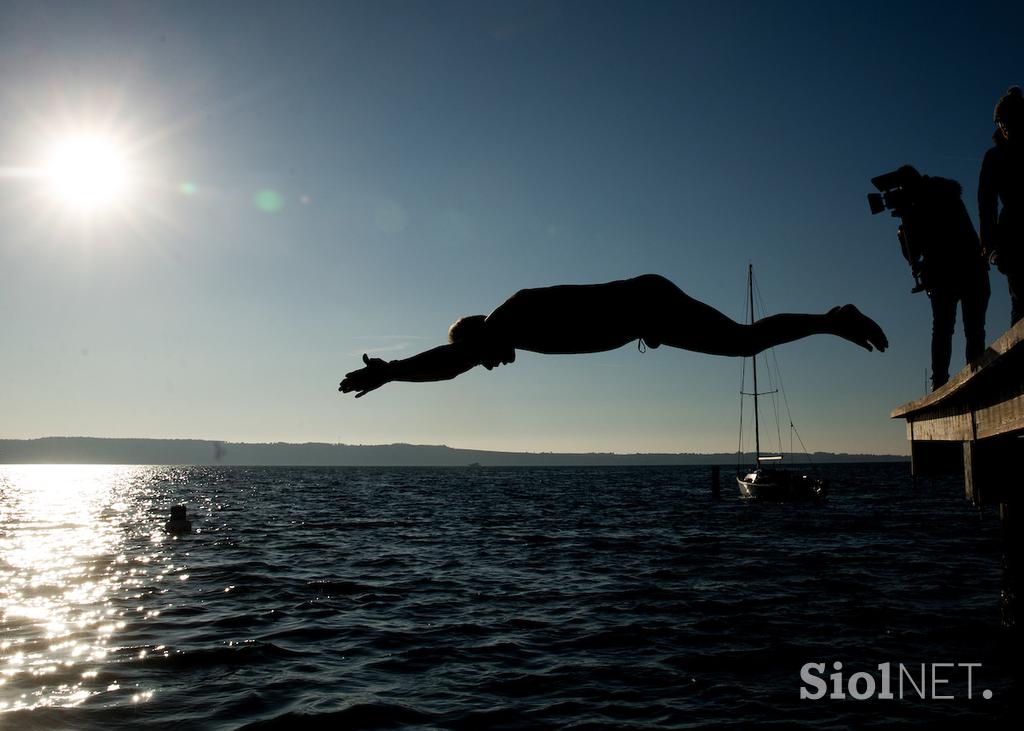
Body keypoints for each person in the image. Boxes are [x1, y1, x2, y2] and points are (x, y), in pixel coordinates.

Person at [338, 274, 887, 398]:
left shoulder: (508, 319)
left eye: (481, 357)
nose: (490, 365)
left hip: (646, 306)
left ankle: (832, 318)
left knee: (743, 343)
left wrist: (390, 371)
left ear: (477, 334)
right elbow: (457, 363)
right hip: (646, 312)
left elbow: (449, 363)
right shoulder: (516, 326)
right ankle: (831, 320)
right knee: (744, 343)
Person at [891, 166, 989, 390]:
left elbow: (913, 254)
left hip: (951, 273)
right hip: (970, 270)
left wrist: (904, 231)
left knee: (945, 330)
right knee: (970, 330)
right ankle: (975, 379)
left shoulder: (924, 205)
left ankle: (943, 383)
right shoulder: (945, 194)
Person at [979, 86, 1024, 326]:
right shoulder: (994, 157)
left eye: (1010, 121)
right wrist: (989, 246)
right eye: (1001, 124)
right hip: (1013, 234)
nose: (1006, 128)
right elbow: (986, 204)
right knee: (1020, 298)